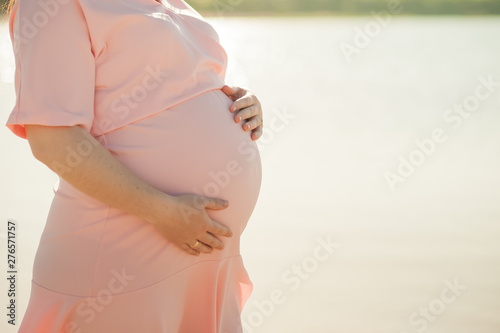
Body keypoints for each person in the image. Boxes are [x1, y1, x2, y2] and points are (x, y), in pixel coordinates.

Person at [4, 0, 264, 331]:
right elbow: (54, 140)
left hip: (202, 257)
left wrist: (240, 103)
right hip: (123, 255)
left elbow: (179, 84)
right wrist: (162, 211)